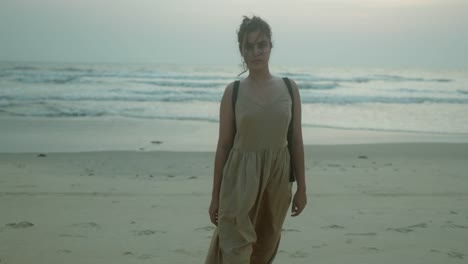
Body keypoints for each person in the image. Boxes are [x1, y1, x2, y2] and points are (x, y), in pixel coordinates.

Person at [205, 15, 307, 264]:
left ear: (270, 46)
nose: (256, 51)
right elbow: (224, 146)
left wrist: (302, 188)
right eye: (249, 46)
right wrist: (215, 196)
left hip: (277, 180)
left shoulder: (289, 88)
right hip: (239, 180)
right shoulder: (234, 92)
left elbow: (295, 140)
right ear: (241, 51)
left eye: (261, 44)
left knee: (263, 249)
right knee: (235, 250)